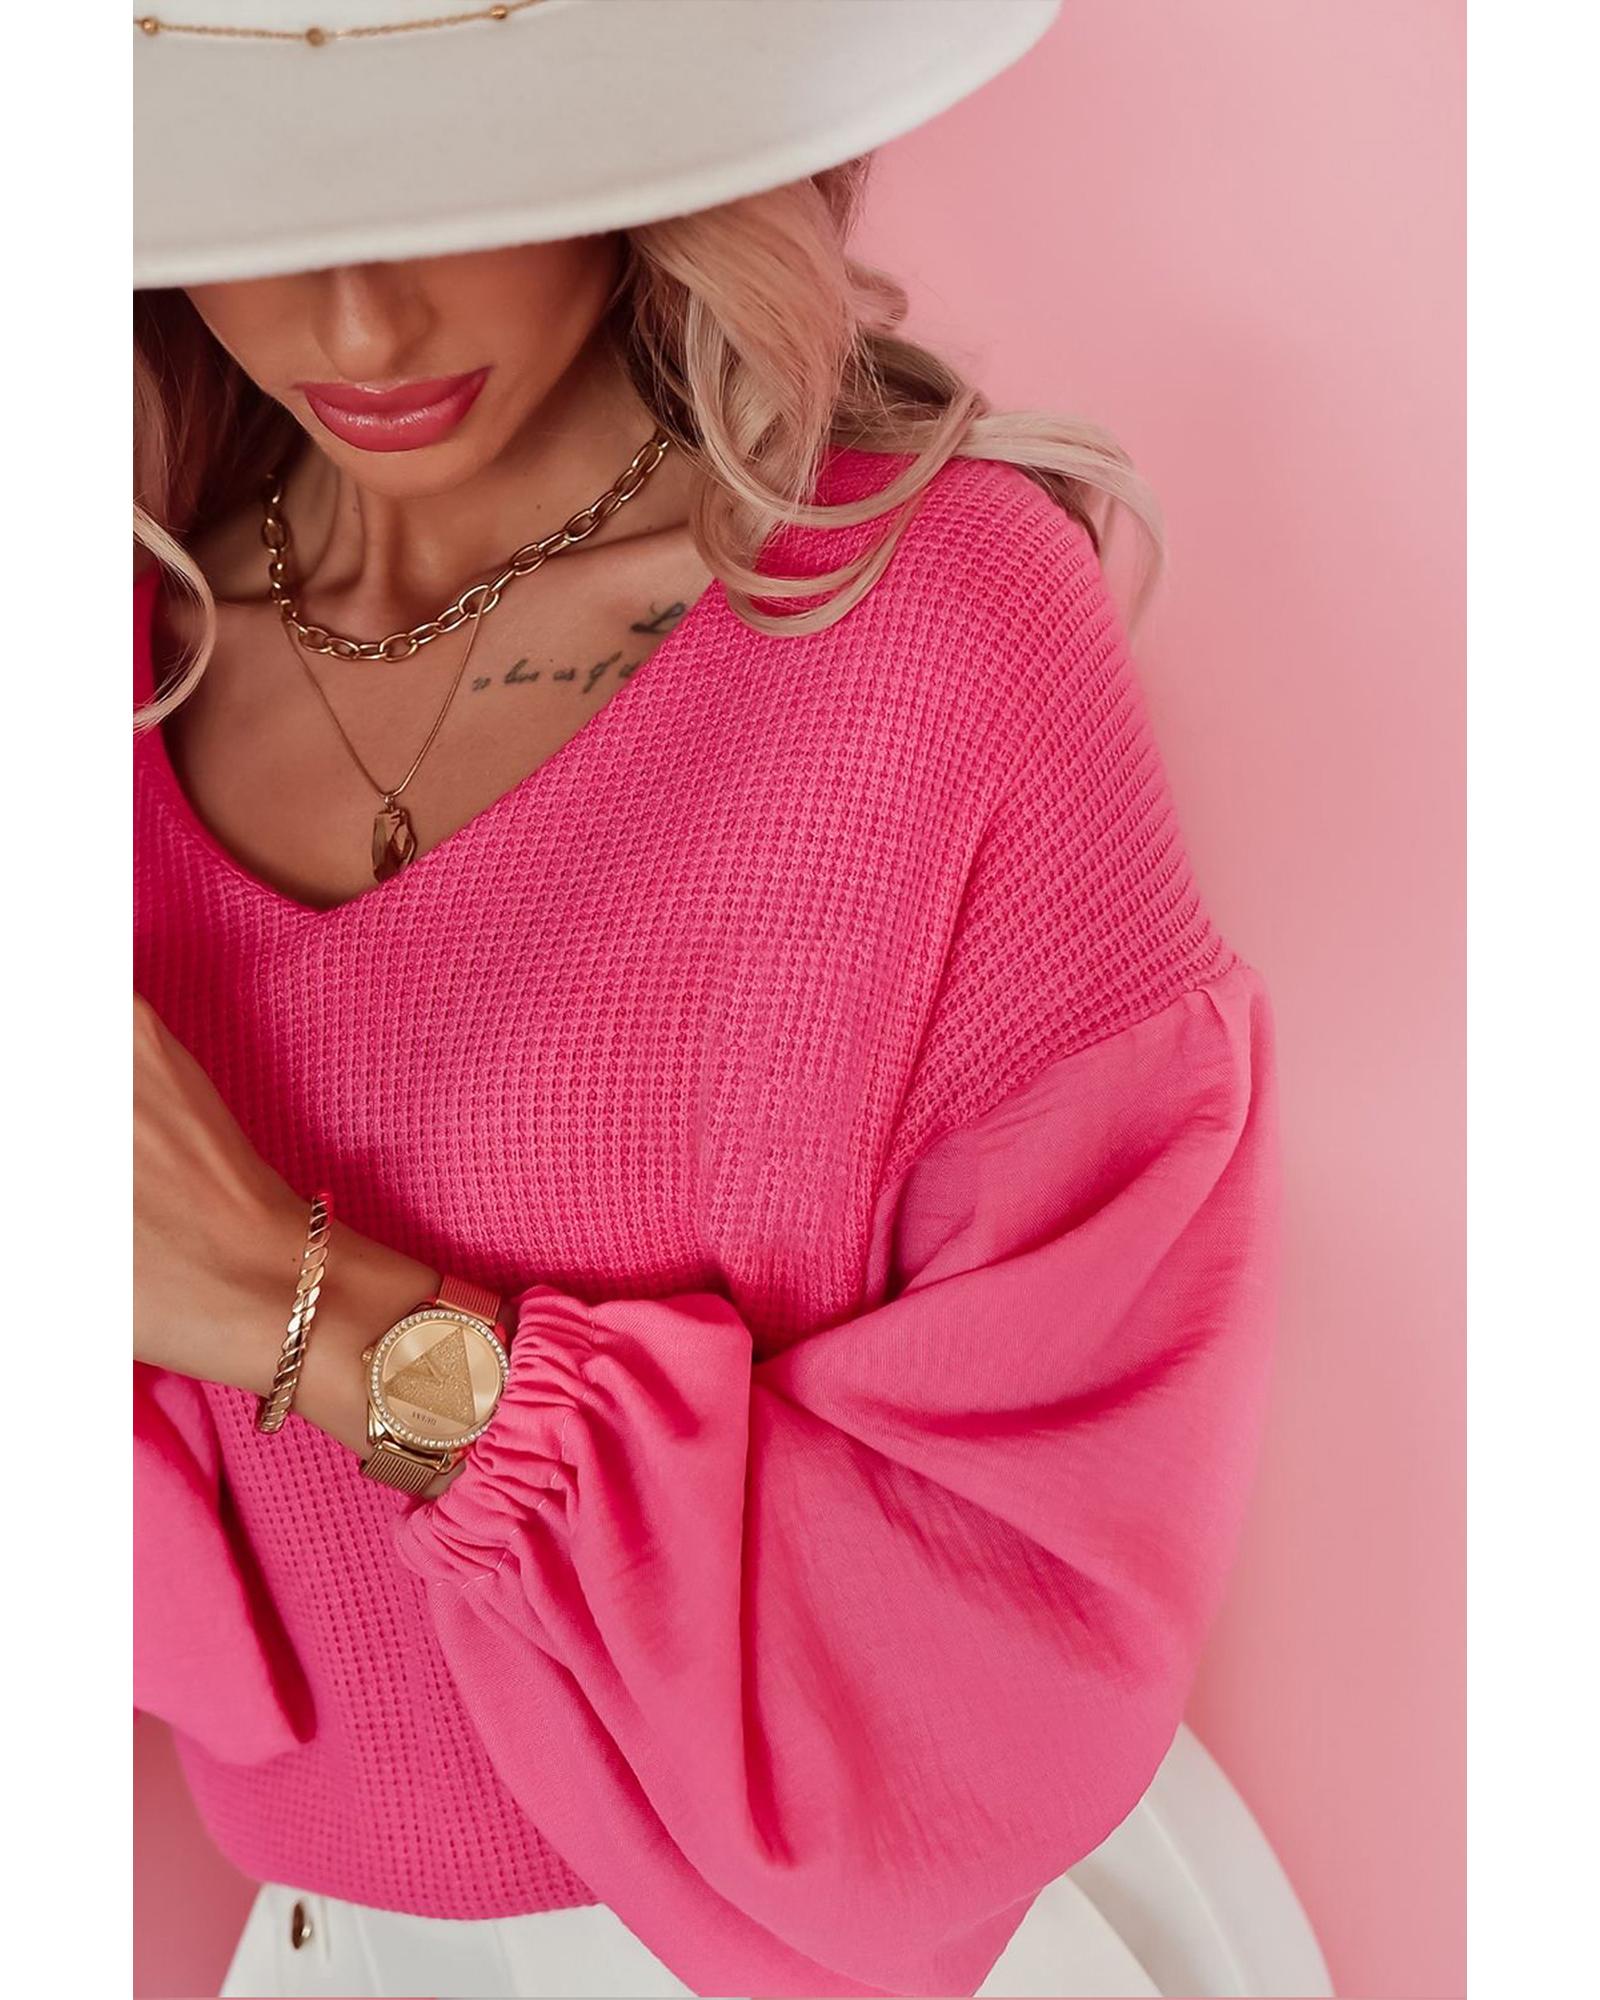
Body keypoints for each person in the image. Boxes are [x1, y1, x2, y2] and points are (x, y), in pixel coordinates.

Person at [132, 5, 1284, 1996]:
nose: (361, 317)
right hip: (339, 1951)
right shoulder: (109, 672)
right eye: (259, 186)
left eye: (452, 166)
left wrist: (297, 1304)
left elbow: (1025, 1599)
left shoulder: (929, 639)